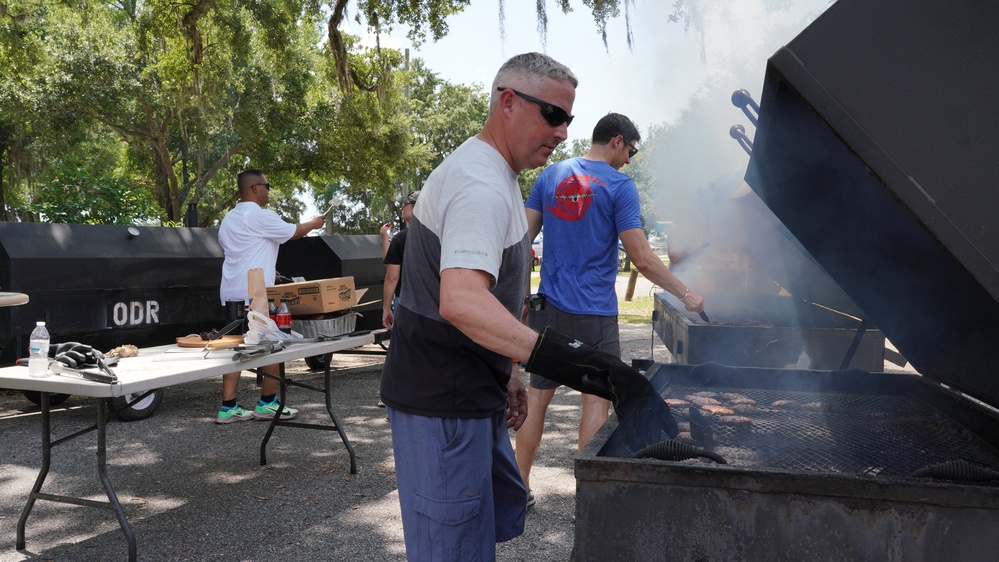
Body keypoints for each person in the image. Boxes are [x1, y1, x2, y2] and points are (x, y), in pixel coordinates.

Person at [379, 52, 580, 560]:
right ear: (508, 102)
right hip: (442, 406)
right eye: (553, 115)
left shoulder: (498, 173)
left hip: (468, 394)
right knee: (449, 549)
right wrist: (554, 357)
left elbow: (486, 301)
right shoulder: (480, 184)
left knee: (474, 538)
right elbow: (463, 301)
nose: (561, 133)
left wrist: (508, 366)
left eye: (568, 119)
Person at [515, 113, 706, 505]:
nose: (630, 161)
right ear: (617, 141)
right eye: (631, 151)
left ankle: (519, 490)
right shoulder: (620, 186)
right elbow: (642, 258)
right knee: (596, 402)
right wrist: (686, 294)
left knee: (537, 401)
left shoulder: (550, 176)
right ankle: (589, 499)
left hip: (547, 309)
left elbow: (520, 242)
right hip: (595, 314)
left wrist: (519, 298)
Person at [215, 168, 327, 424]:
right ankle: (267, 403)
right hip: (256, 296)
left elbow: (244, 250)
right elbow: (294, 232)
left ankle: (228, 406)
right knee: (272, 346)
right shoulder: (262, 216)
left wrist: (268, 267)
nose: (269, 189)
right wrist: (314, 223)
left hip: (231, 292)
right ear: (255, 188)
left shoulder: (229, 218)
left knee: (234, 347)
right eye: (267, 185)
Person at [381, 190, 420, 331]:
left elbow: (392, 277)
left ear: (417, 207)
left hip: (406, 301)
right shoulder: (441, 235)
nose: (402, 208)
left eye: (405, 204)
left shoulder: (402, 238)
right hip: (436, 301)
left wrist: (386, 308)